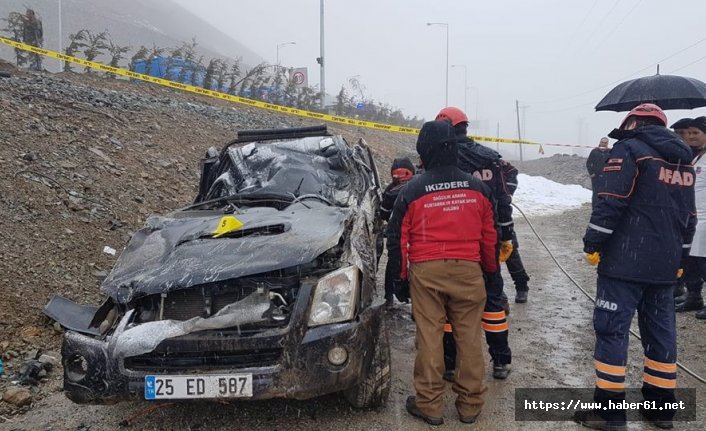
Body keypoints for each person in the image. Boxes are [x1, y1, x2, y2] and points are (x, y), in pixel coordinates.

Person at [575, 103, 695, 430]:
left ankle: (609, 413)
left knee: (612, 331)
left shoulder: (628, 151)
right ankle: (661, 410)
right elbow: (690, 218)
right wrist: (681, 260)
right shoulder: (683, 161)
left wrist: (593, 244)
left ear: (632, 124)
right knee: (661, 335)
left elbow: (610, 201)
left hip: (624, 265)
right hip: (665, 267)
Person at [386, 120, 497, 425]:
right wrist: (490, 271)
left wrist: (400, 278)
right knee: (470, 339)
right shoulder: (479, 189)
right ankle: (471, 405)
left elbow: (398, 240)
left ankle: (430, 405)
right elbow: (490, 237)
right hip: (469, 271)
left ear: (424, 152)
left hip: (426, 273)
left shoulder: (412, 190)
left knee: (429, 338)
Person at [435, 106, 513, 380]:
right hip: (486, 242)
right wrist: (506, 236)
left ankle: (449, 363)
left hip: (451, 244)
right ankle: (501, 360)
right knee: (492, 302)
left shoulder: (440, 158)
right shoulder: (489, 159)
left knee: (449, 304)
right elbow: (503, 201)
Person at [675, 116, 706, 319]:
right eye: (691, 133)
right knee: (691, 261)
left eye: (697, 133)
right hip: (692, 216)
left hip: (705, 217)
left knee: (704, 262)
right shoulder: (693, 157)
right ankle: (694, 296)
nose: (692, 137)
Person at [380, 157, 416, 307]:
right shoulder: (419, 186)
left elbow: (383, 213)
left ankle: (389, 296)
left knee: (394, 260)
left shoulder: (391, 191)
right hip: (417, 234)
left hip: (399, 233)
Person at [500, 159, 531, 303]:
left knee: (510, 250)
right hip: (478, 213)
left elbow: (512, 171)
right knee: (487, 256)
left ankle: (522, 286)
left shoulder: (489, 158)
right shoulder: (462, 160)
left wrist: (507, 192)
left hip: (501, 211)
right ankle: (498, 292)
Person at [671, 118, 693, 299]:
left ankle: (693, 294)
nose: (682, 136)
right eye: (676, 133)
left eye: (683, 132)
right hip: (676, 209)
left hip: (694, 211)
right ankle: (680, 287)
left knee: (694, 257)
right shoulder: (673, 154)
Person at [586, 137, 611, 207]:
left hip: (607, 177)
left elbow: (613, 163)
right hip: (596, 177)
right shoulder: (594, 151)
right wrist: (592, 173)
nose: (604, 144)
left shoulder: (610, 151)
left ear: (607, 144)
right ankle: (595, 208)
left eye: (605, 143)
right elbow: (588, 163)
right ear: (600, 143)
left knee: (606, 193)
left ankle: (604, 208)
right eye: (603, 142)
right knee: (596, 193)